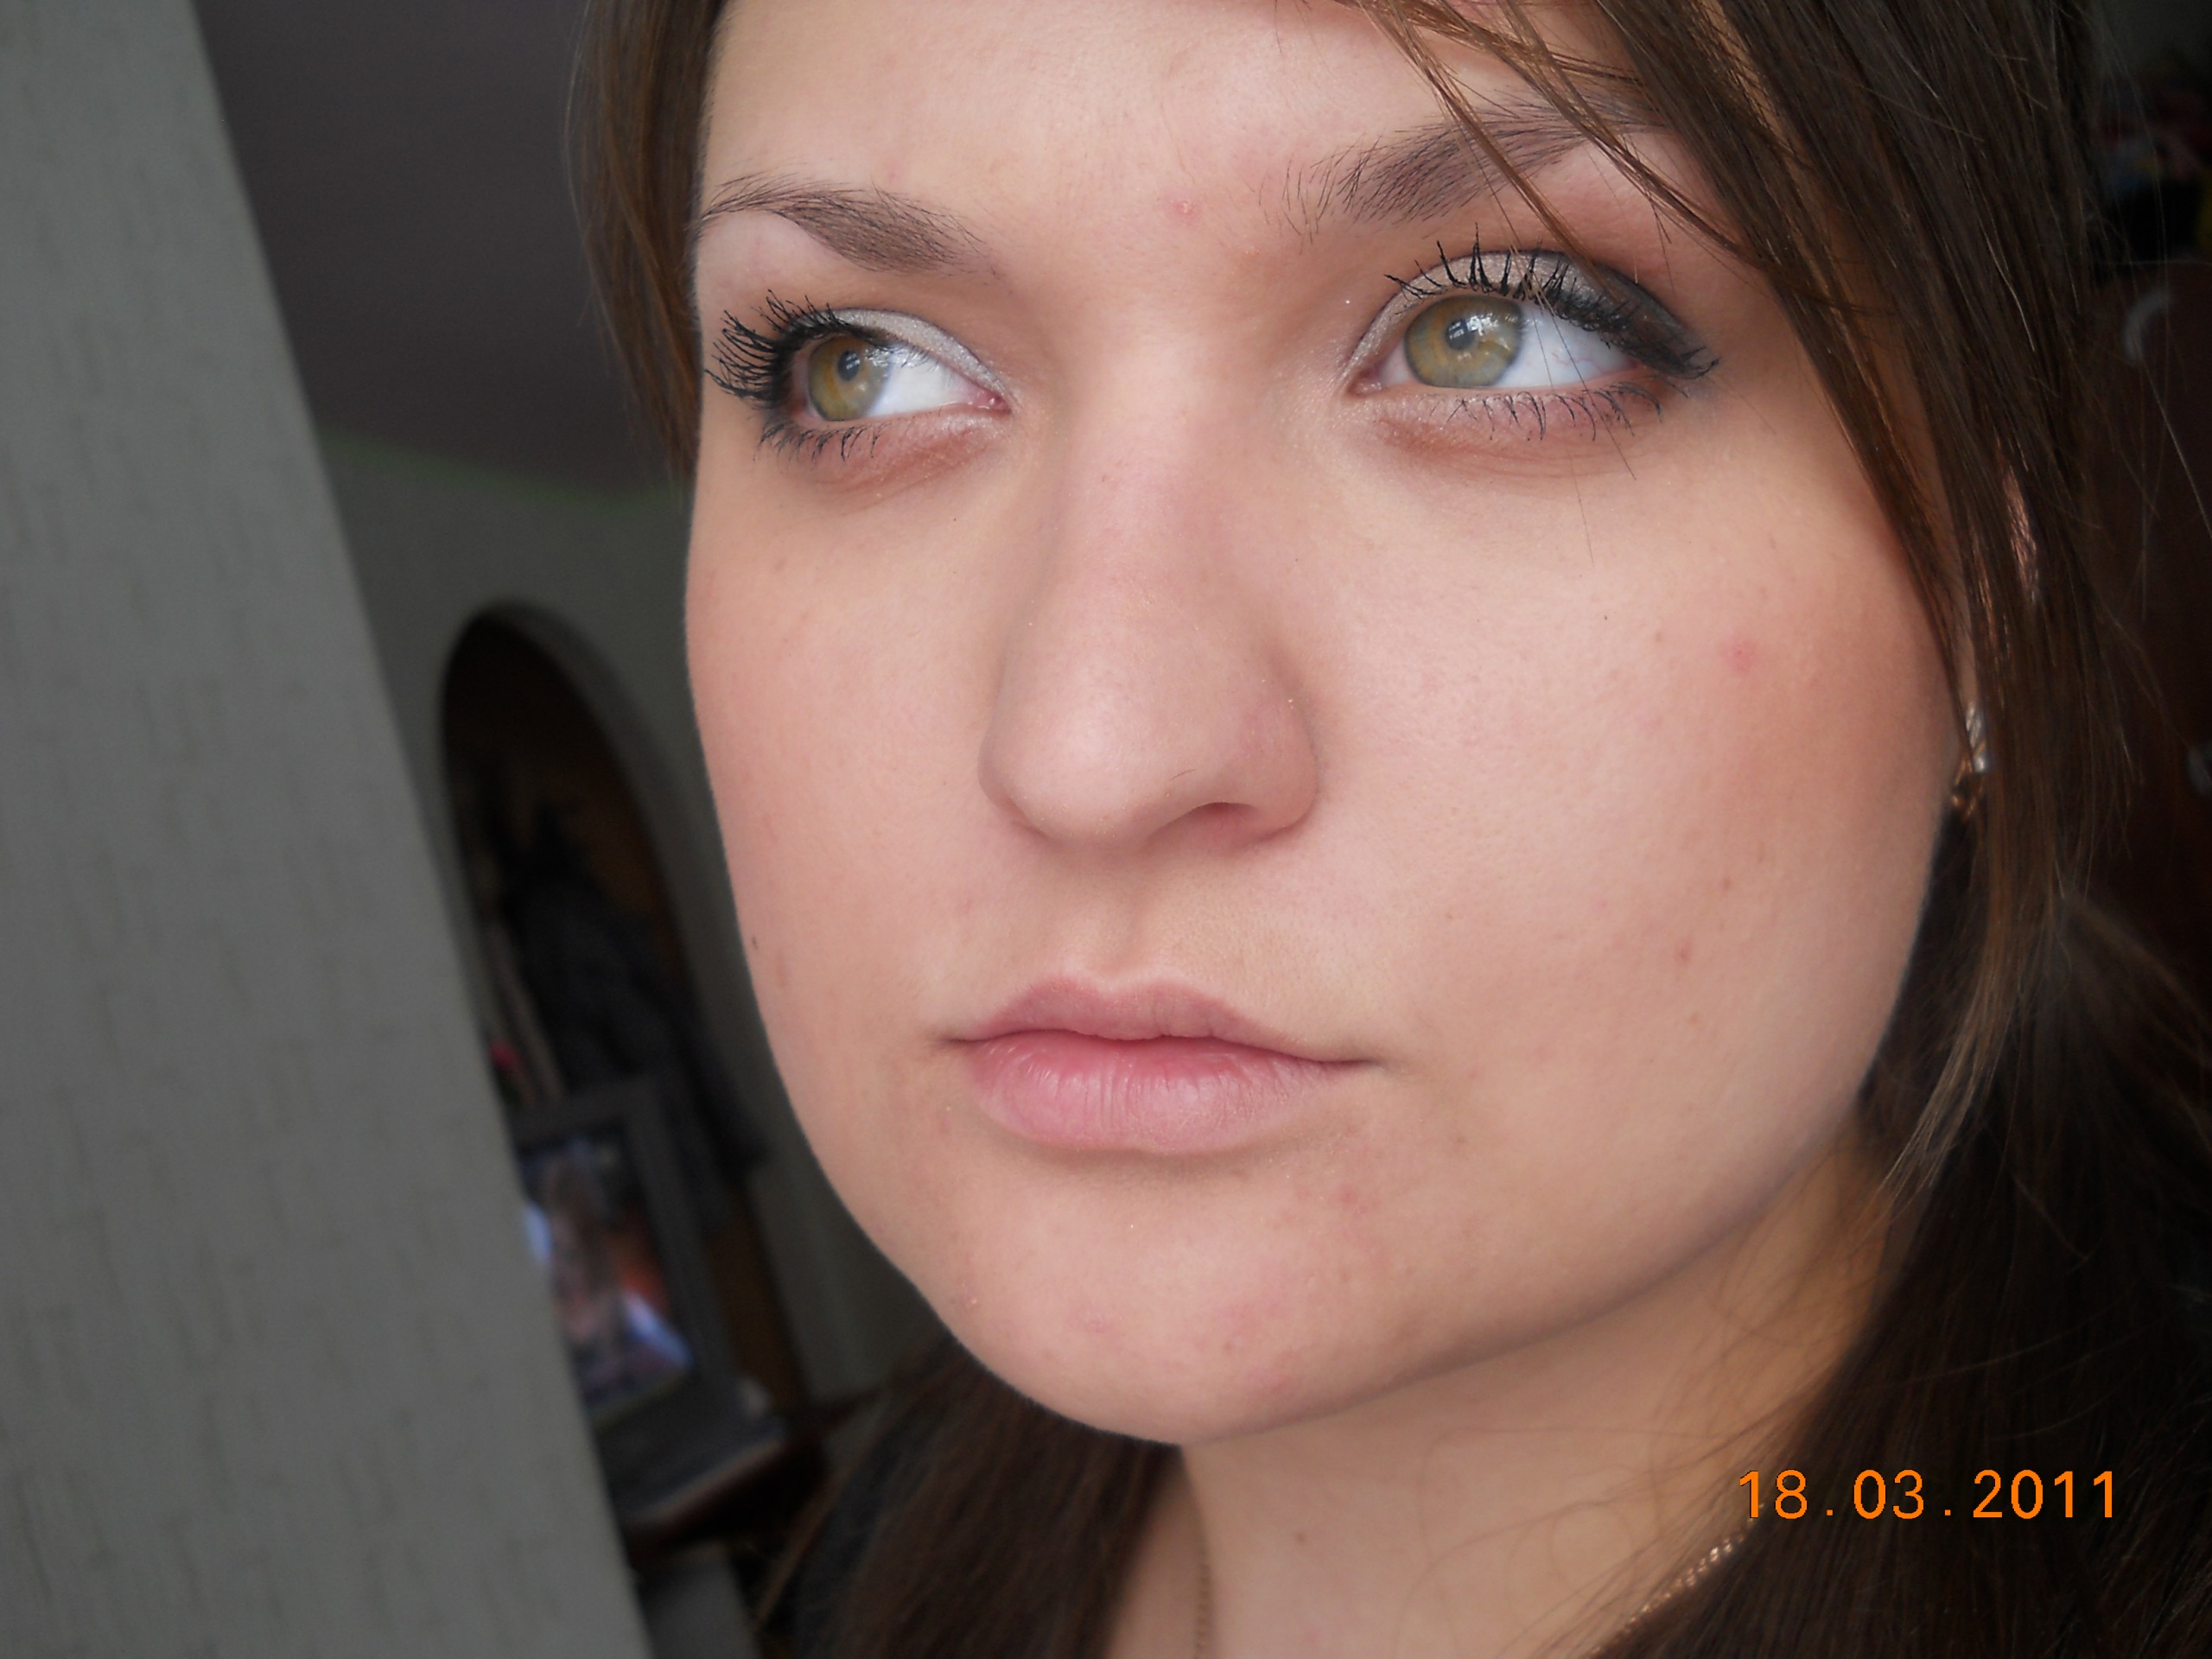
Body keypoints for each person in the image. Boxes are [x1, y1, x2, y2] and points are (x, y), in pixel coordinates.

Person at [578, 0, 2212, 1653]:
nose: (1089, 755)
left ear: (1986, 592)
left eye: (1492, 333)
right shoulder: (867, 1565)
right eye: (860, 364)